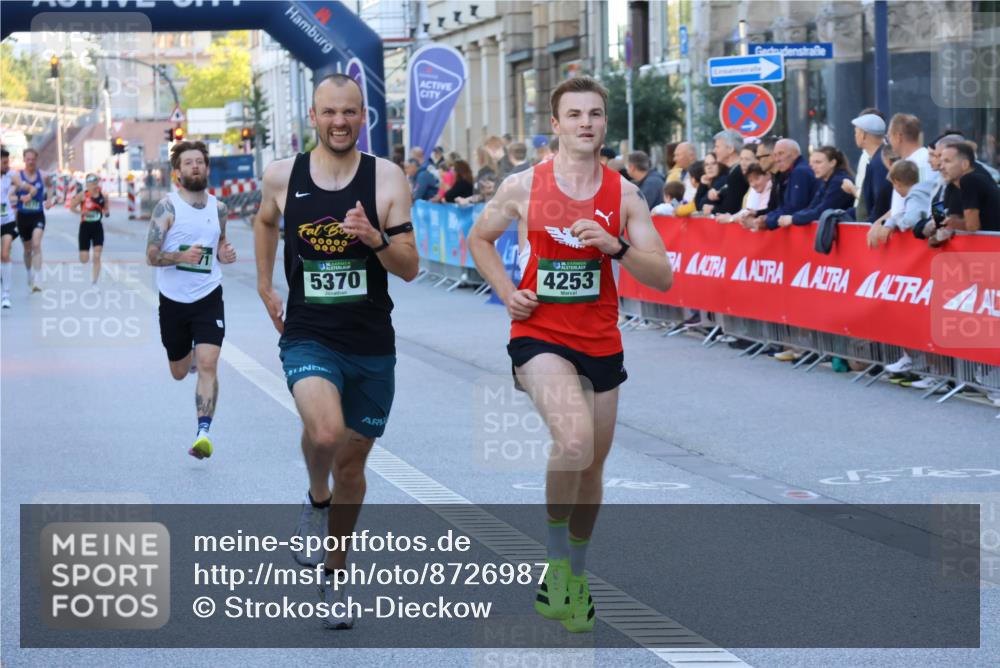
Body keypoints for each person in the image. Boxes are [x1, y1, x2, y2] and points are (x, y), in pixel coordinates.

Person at [467, 75, 672, 634]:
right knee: (574, 441)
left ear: (606, 124)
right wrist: (508, 293)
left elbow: (664, 276)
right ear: (555, 125)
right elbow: (479, 239)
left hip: (600, 338)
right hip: (539, 333)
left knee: (592, 466)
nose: (586, 122)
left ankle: (576, 573)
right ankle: (556, 563)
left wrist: (617, 247)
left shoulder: (625, 194)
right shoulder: (523, 185)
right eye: (575, 114)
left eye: (596, 114)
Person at [254, 73, 418, 630]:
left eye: (349, 113)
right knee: (325, 432)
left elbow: (411, 268)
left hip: (371, 342)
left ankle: (335, 574)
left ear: (362, 116)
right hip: (308, 331)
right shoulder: (283, 176)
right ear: (314, 117)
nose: (339, 122)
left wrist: (375, 240)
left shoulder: (387, 178)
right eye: (329, 113)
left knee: (353, 466)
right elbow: (264, 221)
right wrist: (264, 283)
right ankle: (316, 500)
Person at [146, 140, 238, 460]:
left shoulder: (219, 209)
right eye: (188, 163)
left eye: (200, 161)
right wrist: (180, 255)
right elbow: (151, 256)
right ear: (177, 173)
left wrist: (226, 254)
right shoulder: (167, 208)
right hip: (173, 302)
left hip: (209, 296)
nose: (195, 166)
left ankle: (203, 433)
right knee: (179, 371)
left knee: (210, 364)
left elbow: (222, 245)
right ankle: (192, 358)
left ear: (207, 168)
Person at [776, 146, 854, 227]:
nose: (813, 167)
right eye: (812, 163)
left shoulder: (839, 182)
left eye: (818, 162)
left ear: (832, 163)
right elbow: (812, 208)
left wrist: (793, 219)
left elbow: (822, 212)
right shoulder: (825, 182)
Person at [867, 159, 933, 248]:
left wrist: (895, 222)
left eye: (892, 185)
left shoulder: (915, 196)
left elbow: (909, 221)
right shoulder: (928, 190)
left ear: (897, 183)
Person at [760, 139, 818, 230]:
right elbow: (785, 206)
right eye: (775, 155)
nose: (777, 159)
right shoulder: (792, 172)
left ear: (795, 153)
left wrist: (768, 220)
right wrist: (767, 217)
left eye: (781, 153)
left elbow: (794, 208)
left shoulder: (799, 172)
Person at [14, 148, 49, 292]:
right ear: (24, 160)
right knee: (27, 250)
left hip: (37, 215)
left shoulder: (42, 175)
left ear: (36, 160)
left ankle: (38, 278)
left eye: (33, 159)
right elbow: (10, 193)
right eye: (28, 159)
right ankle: (29, 272)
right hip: (23, 217)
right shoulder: (18, 176)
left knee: (36, 244)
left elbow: (51, 185)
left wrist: (50, 199)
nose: (31, 162)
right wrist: (19, 197)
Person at [1, 147, 32, 308]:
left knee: (5, 254)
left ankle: (6, 295)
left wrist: (29, 191)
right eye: (4, 163)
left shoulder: (11, 175)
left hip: (7, 220)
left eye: (7, 162)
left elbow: (22, 185)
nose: (7, 165)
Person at [843, 110, 887, 221]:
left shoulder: (879, 163)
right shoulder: (879, 159)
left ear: (863, 135)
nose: (855, 136)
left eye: (856, 132)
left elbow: (878, 204)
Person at [69, 173, 110, 287]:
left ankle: (94, 282)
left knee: (97, 255)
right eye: (91, 183)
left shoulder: (103, 195)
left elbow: (106, 209)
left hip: (97, 227)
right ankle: (85, 257)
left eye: (95, 183)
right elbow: (71, 207)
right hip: (85, 227)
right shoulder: (82, 195)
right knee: (84, 259)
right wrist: (82, 212)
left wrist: (106, 212)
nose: (93, 186)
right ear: (87, 184)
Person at [709, 129, 749, 216]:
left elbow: (732, 208)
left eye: (717, 147)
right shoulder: (733, 171)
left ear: (730, 149)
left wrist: (712, 209)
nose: (714, 151)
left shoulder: (737, 173)